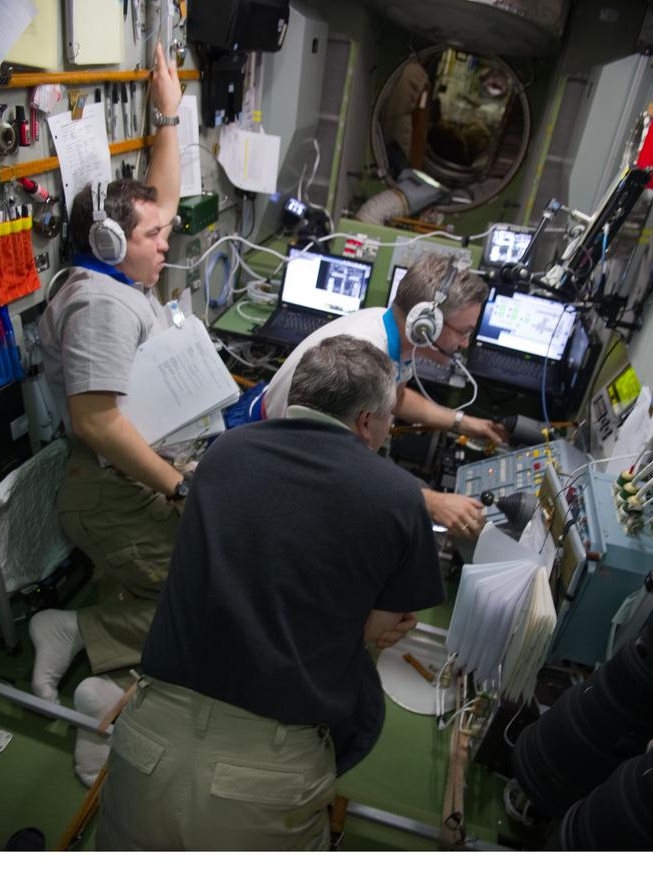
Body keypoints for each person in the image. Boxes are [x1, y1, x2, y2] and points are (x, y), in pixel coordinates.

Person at [96, 336, 446, 850]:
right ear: (367, 422)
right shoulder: (397, 497)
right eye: (391, 419)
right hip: (267, 776)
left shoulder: (224, 455)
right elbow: (378, 629)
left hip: (144, 739)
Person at [29, 43, 185, 715]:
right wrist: (179, 487)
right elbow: (96, 422)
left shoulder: (120, 276)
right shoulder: (98, 303)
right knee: (207, 587)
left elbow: (166, 200)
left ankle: (113, 631)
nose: (167, 240)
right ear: (113, 246)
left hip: (130, 481)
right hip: (108, 492)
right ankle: (74, 628)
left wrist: (169, 117)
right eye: (154, 235)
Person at [263, 251, 510, 538]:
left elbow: (398, 399)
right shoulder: (361, 361)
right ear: (427, 322)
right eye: (463, 332)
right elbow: (332, 467)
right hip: (296, 474)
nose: (466, 343)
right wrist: (432, 502)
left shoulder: (391, 329)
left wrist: (464, 422)